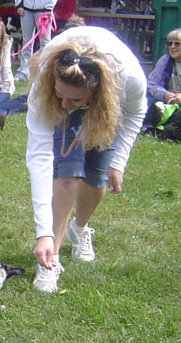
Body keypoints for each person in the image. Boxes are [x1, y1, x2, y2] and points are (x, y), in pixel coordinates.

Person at [26, 26, 147, 293]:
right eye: (61, 95)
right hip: (72, 92)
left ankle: (79, 229)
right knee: (66, 176)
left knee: (96, 178)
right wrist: (43, 232)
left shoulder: (129, 80)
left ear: (95, 92)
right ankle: (51, 257)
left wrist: (119, 160)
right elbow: (40, 158)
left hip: (107, 108)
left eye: (74, 99)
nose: (66, 103)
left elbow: (136, 114)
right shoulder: (46, 85)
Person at [14, 0, 58, 82]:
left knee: (45, 43)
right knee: (27, 42)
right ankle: (23, 72)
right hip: (26, 9)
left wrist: (49, 7)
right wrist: (19, 4)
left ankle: (45, 70)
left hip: (43, 10)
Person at [145, 28, 181, 127]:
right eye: (170, 43)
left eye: (177, 43)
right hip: (166, 101)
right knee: (146, 97)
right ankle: (147, 126)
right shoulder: (164, 60)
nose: (172, 47)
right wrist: (164, 94)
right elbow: (151, 84)